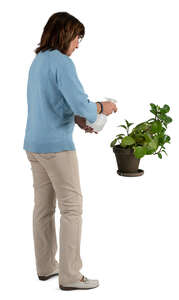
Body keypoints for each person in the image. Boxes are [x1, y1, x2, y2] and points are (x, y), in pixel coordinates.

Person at [23, 11, 117, 291]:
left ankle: (46, 266)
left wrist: (76, 119)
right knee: (72, 209)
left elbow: (52, 102)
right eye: (78, 38)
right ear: (67, 35)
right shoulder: (63, 64)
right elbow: (83, 104)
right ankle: (71, 275)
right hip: (57, 149)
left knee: (43, 208)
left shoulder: (38, 61)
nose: (78, 44)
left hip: (34, 145)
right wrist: (102, 107)